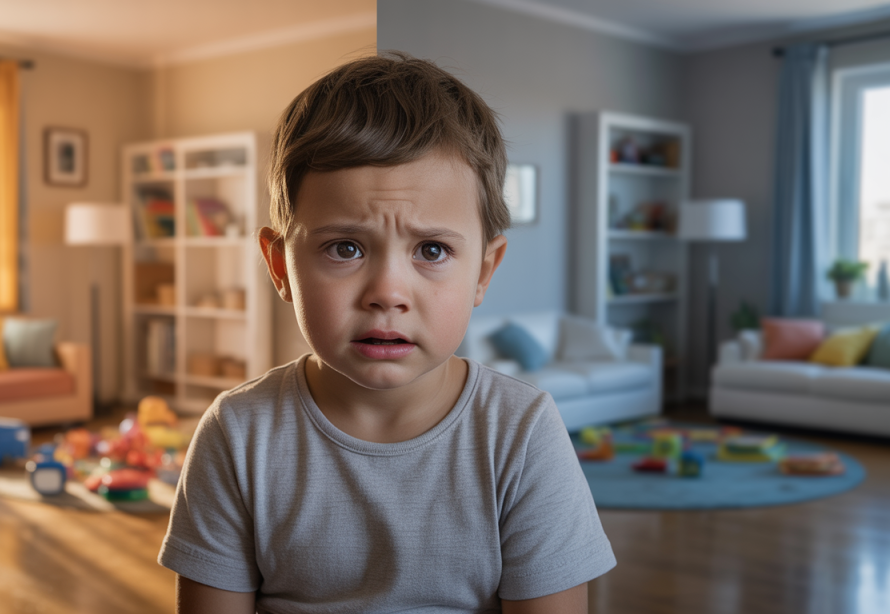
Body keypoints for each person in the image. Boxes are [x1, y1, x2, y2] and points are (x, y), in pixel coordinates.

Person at [158, 52, 615, 614]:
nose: (387, 292)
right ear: (280, 267)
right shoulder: (237, 434)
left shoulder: (522, 435)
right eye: (345, 248)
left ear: (483, 272)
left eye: (432, 250)